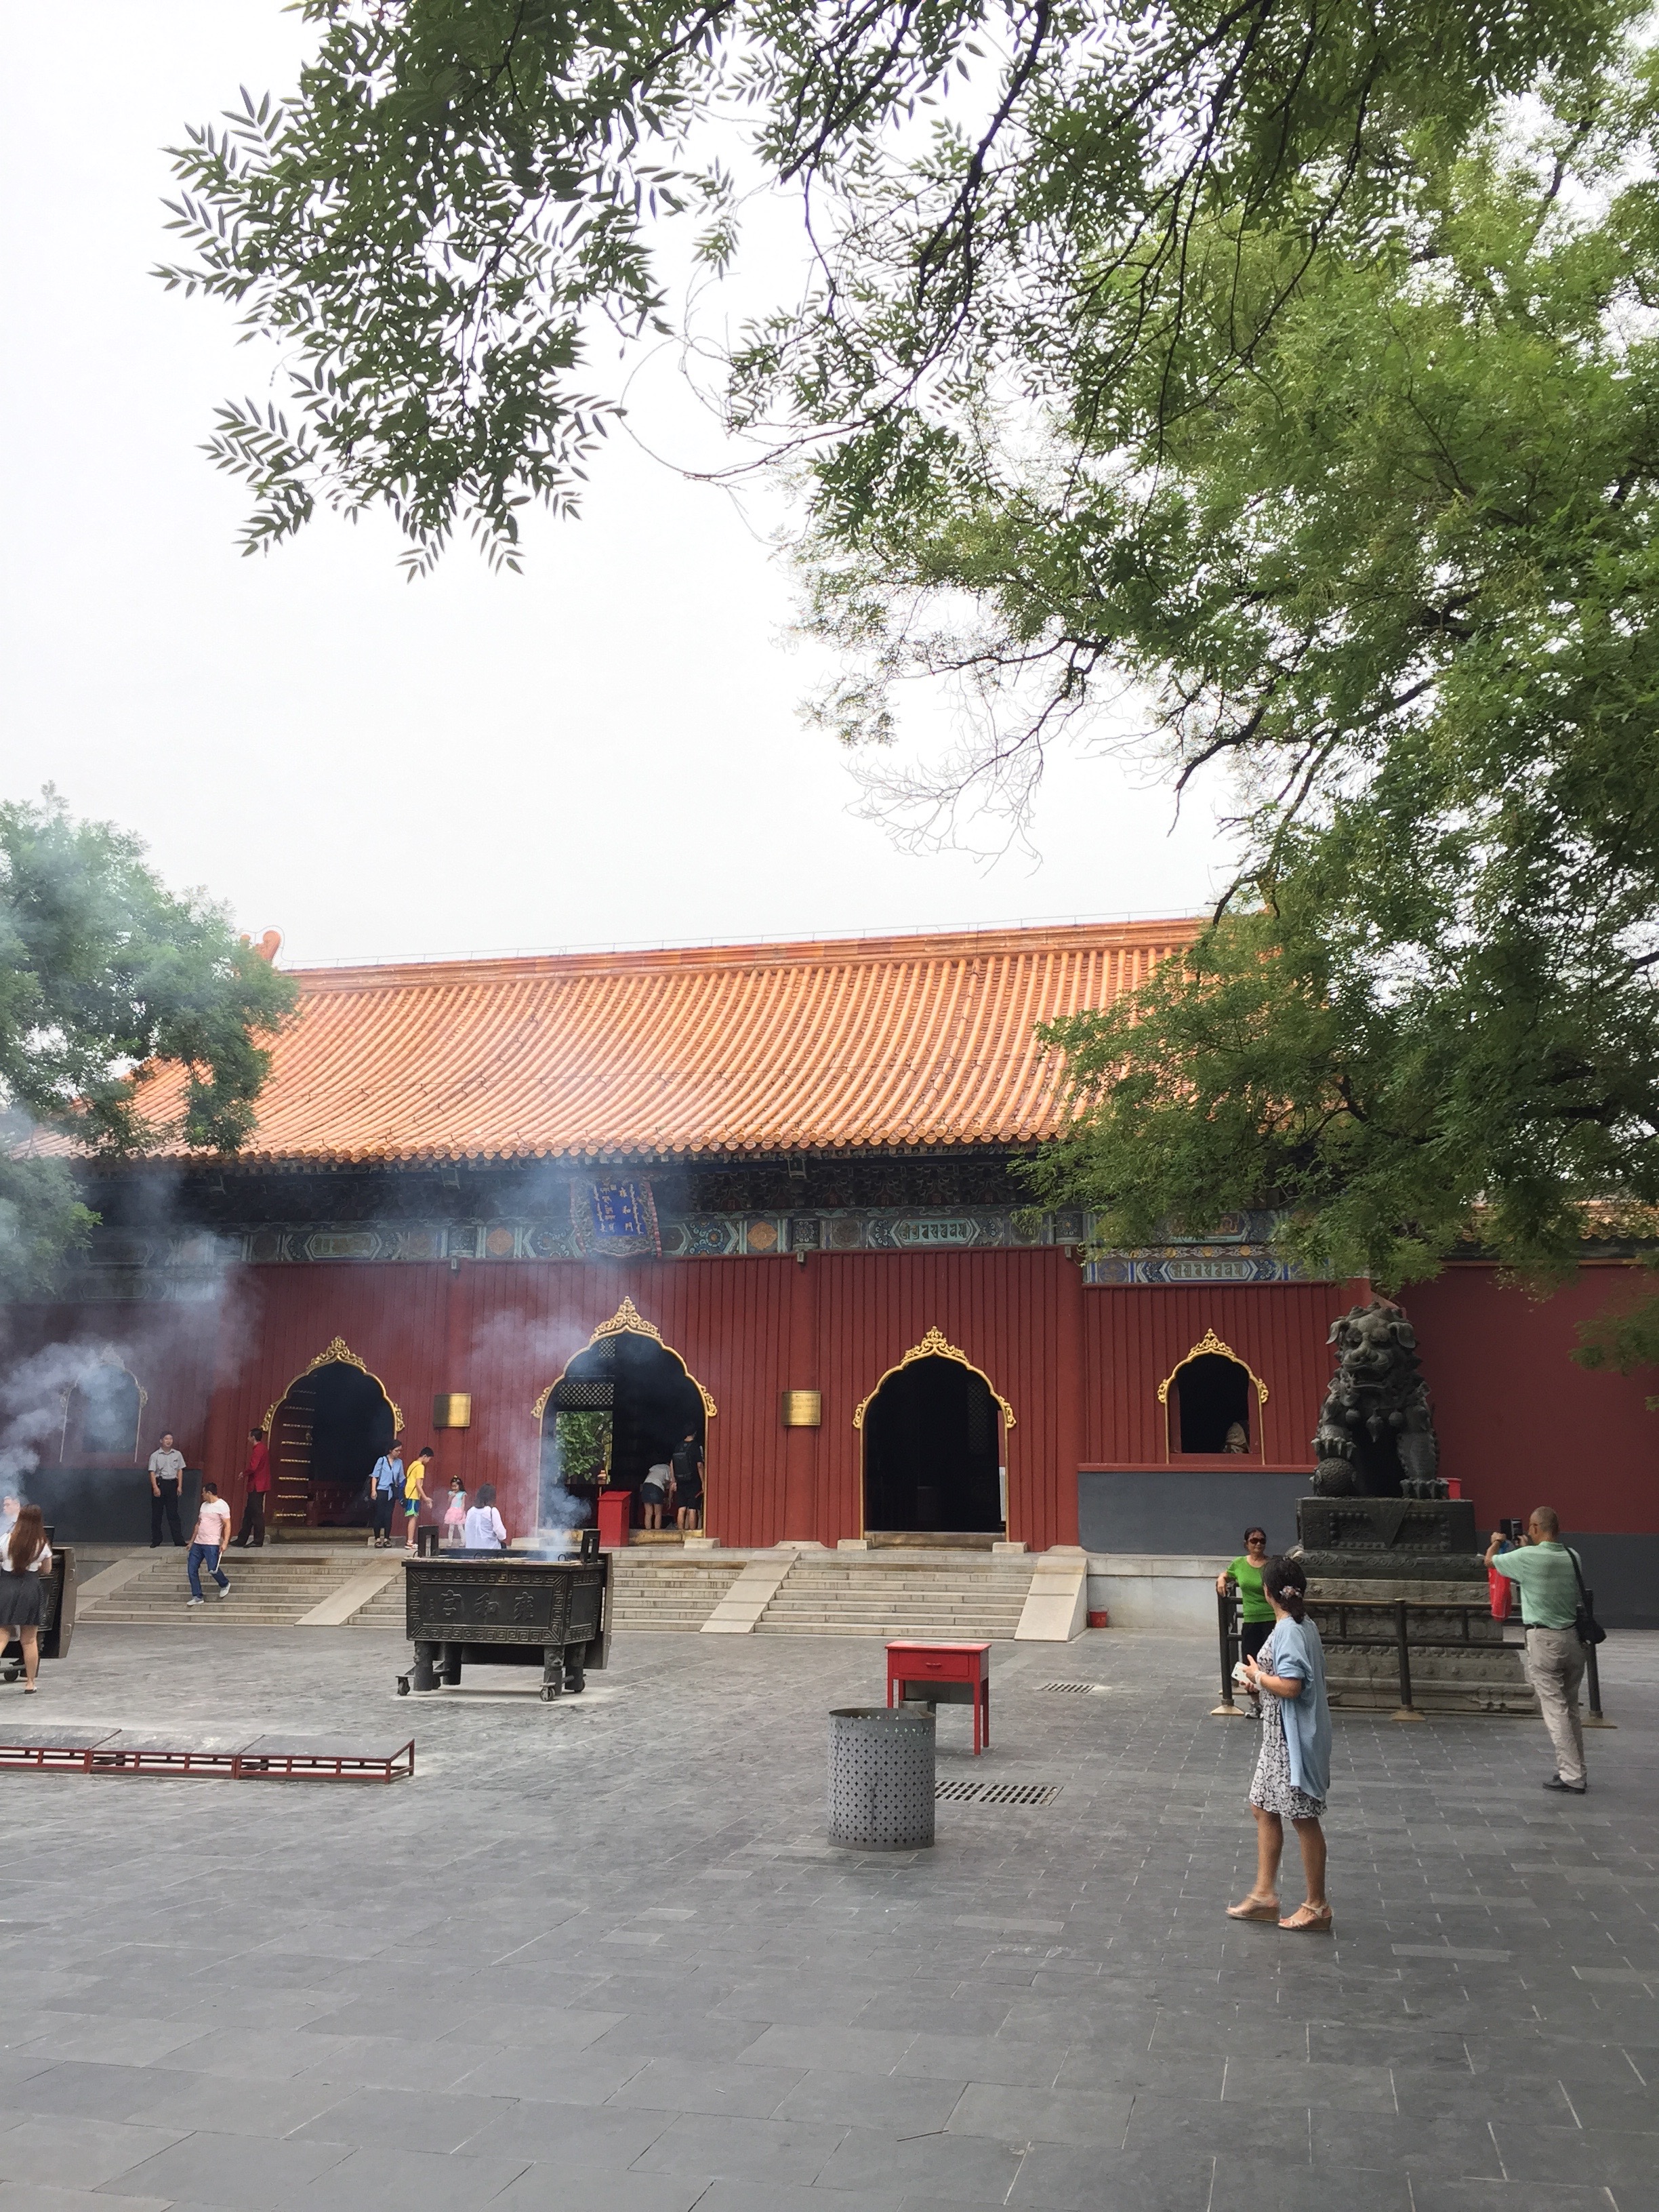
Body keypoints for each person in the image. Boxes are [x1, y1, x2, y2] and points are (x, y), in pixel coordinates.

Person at [1230, 1555, 1334, 1933]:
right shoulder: (1300, 1624)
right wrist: (1259, 1681)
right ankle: (1264, 1894)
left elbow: (1291, 1686)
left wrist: (1258, 1676)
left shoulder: (1290, 1628)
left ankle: (1317, 1905)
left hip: (1291, 1740)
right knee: (1262, 1806)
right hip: (1277, 1738)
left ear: (1267, 1591)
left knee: (1303, 1817)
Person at [1485, 1507, 1590, 1793]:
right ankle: (1577, 1768)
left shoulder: (1527, 1557)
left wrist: (1496, 1541)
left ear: (1533, 1527)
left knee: (1555, 1710)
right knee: (1571, 1708)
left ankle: (1572, 1776)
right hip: (1573, 1639)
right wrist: (1527, 1549)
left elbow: (1490, 1561)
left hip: (1543, 1640)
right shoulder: (1573, 1556)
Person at [1217, 1527, 1274, 1713]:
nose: (1258, 1544)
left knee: (1271, 1661)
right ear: (1246, 1544)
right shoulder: (1239, 1563)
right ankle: (1255, 1703)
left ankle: (1271, 1702)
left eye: (1262, 1541)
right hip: (1250, 1619)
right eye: (1254, 1540)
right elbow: (1227, 1574)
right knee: (1249, 1659)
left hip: (1271, 1618)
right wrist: (1221, 1579)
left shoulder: (1271, 1566)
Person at [0, 1503, 52, 1692]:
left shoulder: (6, 1538)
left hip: (6, 1587)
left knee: (2, 1635)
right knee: (29, 1640)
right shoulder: (42, 1543)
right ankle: (30, 1683)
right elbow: (47, 1570)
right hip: (30, 1588)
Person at [186, 1479, 232, 1606]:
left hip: (211, 1543)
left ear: (209, 1493)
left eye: (204, 1493)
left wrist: (225, 1542)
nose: (202, 1495)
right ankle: (197, 1596)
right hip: (198, 1543)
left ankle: (224, 1583)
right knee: (191, 1569)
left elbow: (227, 1525)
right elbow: (198, 1524)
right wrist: (192, 1541)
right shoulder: (204, 1506)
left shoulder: (222, 1506)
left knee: (213, 1568)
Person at [232, 1427, 271, 1548]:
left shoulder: (258, 1449)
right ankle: (242, 1539)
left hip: (257, 1484)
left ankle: (258, 1540)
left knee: (256, 1513)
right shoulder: (262, 1448)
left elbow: (253, 1467)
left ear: (253, 1437)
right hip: (259, 1484)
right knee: (249, 1513)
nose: (248, 1438)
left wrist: (243, 1473)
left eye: (249, 1436)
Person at [148, 1432, 186, 1547]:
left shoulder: (177, 1454)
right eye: (166, 1439)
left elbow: (180, 1470)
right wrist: (155, 1487)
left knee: (173, 1514)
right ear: (161, 1441)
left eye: (171, 1439)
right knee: (157, 1514)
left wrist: (179, 1486)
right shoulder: (155, 1455)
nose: (169, 1441)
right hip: (160, 1483)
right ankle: (156, 1540)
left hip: (172, 1484)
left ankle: (178, 1540)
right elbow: (152, 1472)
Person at [367, 1444, 403, 1549]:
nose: (398, 1453)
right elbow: (375, 1476)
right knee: (379, 1514)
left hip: (392, 1491)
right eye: (397, 1450)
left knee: (388, 1515)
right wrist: (373, 1490)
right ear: (391, 1450)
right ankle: (378, 1539)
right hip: (382, 1490)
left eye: (400, 1451)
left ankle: (387, 1538)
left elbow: (401, 1478)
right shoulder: (382, 1460)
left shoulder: (399, 1462)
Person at [404, 1447, 434, 1552]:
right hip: (413, 1495)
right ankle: (410, 1542)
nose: (429, 1461)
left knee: (412, 1517)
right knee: (413, 1518)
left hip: (409, 1494)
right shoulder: (420, 1466)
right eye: (429, 1459)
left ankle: (410, 1541)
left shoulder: (413, 1464)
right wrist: (426, 1498)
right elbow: (418, 1484)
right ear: (425, 1456)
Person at [673, 1432, 704, 1532]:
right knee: (692, 1509)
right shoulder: (695, 1446)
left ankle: (680, 1532)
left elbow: (672, 1463)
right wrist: (703, 1481)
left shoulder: (678, 1446)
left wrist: (674, 1480)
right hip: (693, 1482)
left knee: (681, 1508)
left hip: (681, 1481)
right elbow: (699, 1465)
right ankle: (692, 1533)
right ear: (695, 1433)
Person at [462, 1483, 508, 1551]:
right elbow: (502, 1535)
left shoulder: (470, 1511)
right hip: (490, 1552)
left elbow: (467, 1530)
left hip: (471, 1551)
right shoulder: (492, 1511)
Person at [640, 1459, 674, 1531]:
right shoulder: (670, 1469)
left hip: (646, 1486)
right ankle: (657, 1532)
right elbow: (671, 1486)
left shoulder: (655, 1466)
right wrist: (670, 1499)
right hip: (657, 1487)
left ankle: (648, 1532)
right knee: (658, 1513)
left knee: (648, 1513)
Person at [442, 1475, 468, 1547]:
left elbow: (463, 1504)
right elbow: (448, 1502)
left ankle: (463, 1542)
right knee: (451, 1528)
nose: (454, 1488)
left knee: (460, 1528)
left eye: (456, 1486)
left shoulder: (463, 1494)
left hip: (459, 1511)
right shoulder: (451, 1493)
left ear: (460, 1486)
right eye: (452, 1486)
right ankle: (450, 1541)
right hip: (452, 1511)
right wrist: (451, 1497)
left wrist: (462, 1513)